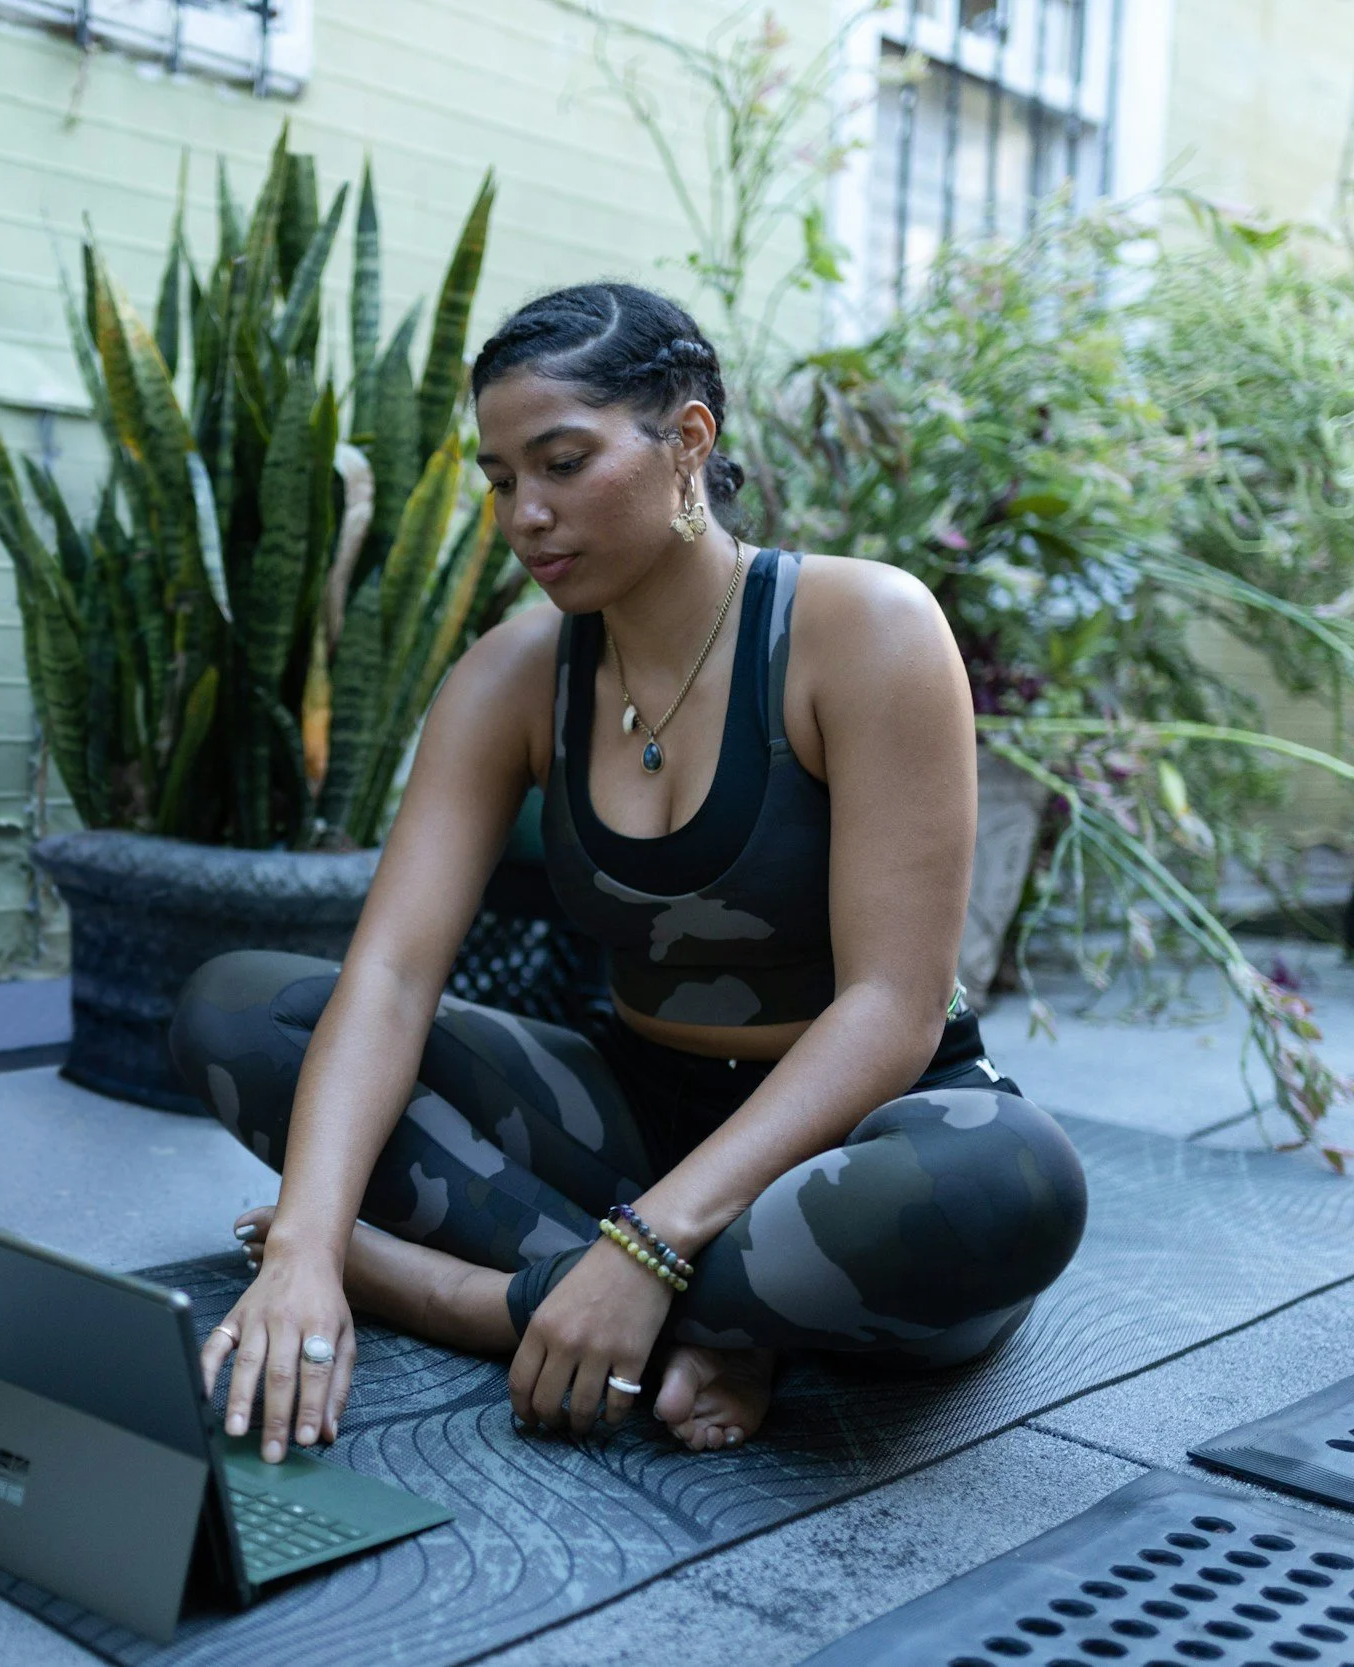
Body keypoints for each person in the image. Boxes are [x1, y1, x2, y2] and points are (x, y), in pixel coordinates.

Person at [170, 282, 1087, 1465]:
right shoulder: (512, 677)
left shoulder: (862, 629)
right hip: (630, 1111)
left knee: (1013, 1182)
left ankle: (477, 1299)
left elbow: (893, 1006)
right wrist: (301, 1250)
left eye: (561, 462)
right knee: (238, 1009)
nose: (525, 514)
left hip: (859, 1133)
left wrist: (649, 1245)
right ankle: (709, 1326)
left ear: (687, 440)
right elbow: (391, 973)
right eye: (501, 479)